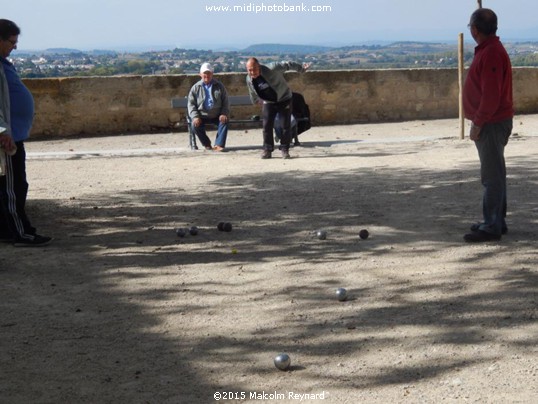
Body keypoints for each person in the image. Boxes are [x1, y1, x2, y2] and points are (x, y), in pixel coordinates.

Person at [463, 8, 514, 243]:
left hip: (491, 123)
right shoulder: (489, 50)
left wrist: (478, 123)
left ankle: (491, 226)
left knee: (491, 176)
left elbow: (491, 95)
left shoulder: (491, 53)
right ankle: (495, 221)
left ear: (474, 30)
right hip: (493, 121)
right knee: (496, 173)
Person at [0, 19, 52, 247]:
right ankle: (22, 233)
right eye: (11, 42)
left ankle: (7, 230)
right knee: (13, 188)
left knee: (13, 186)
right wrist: (2, 131)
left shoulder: (3, 63)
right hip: (6, 138)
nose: (15, 46)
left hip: (13, 134)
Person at [245, 58, 311, 159]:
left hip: (284, 98)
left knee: (285, 125)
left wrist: (301, 68)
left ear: (259, 66)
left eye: (254, 69)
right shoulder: (249, 78)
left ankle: (284, 149)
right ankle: (267, 149)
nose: (252, 72)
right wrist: (255, 101)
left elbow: (288, 64)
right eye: (249, 70)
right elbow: (252, 90)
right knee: (266, 125)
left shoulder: (272, 68)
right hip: (269, 101)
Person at [187, 62, 230, 151]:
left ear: (212, 74)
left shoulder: (219, 86)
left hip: (217, 115)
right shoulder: (195, 88)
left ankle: (219, 144)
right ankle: (206, 144)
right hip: (201, 115)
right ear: (200, 74)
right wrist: (195, 117)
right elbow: (191, 104)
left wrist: (223, 113)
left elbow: (225, 101)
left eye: (209, 73)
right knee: (194, 125)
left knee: (224, 121)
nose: (207, 75)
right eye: (205, 73)